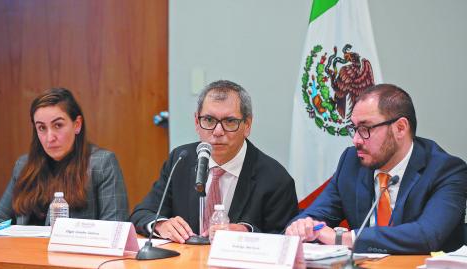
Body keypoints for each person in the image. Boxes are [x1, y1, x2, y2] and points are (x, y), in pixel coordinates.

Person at [286, 84, 467, 254]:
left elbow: (427, 235)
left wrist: (343, 238)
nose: (356, 140)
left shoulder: (446, 171)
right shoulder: (351, 162)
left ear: (400, 128)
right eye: (354, 129)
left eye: (365, 128)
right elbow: (316, 214)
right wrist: (302, 226)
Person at [130, 80, 298, 243]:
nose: (217, 132)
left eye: (230, 121)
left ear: (247, 125)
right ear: (197, 122)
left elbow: (286, 240)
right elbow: (142, 213)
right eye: (209, 120)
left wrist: (249, 233)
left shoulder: (276, 179)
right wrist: (160, 224)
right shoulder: (181, 159)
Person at [0, 88, 129, 225]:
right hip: (24, 248)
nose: (50, 138)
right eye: (42, 128)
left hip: (73, 248)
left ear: (77, 125)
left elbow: (115, 229)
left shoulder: (101, 163)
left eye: (58, 125)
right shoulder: (24, 165)